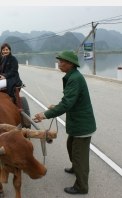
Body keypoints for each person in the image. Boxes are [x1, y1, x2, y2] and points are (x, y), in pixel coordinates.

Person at [33, 50, 97, 195]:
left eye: (62, 62)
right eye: (59, 61)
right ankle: (76, 167)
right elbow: (70, 101)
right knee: (70, 146)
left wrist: (45, 115)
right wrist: (56, 106)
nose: (59, 64)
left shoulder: (74, 79)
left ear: (70, 64)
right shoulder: (73, 76)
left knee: (80, 155)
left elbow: (67, 103)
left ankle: (81, 186)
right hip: (77, 123)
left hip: (82, 124)